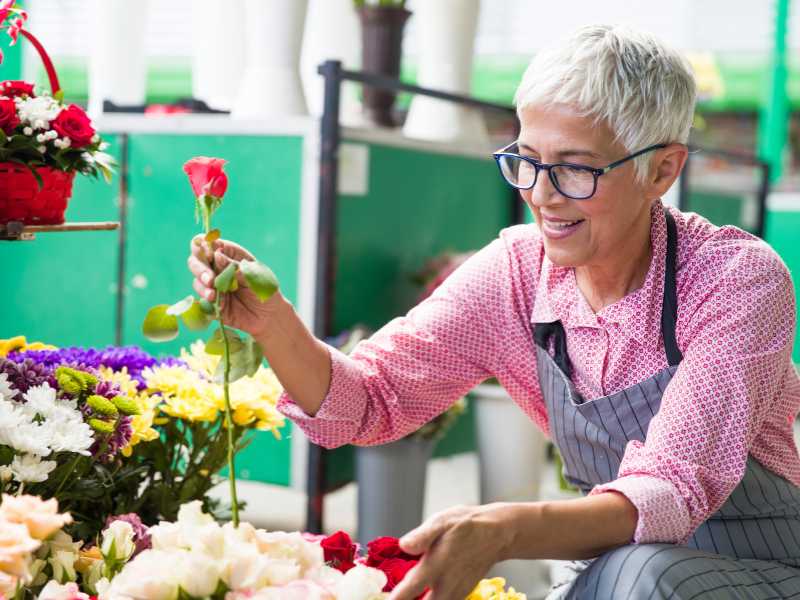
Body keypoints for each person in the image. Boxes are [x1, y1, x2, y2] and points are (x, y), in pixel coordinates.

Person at [188, 24, 800, 600]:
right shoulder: (514, 274)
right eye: (528, 160)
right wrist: (275, 324)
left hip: (767, 566)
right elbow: (371, 401)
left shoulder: (734, 280)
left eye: (576, 169)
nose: (540, 193)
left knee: (639, 573)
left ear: (662, 169)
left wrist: (504, 530)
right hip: (623, 568)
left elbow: (671, 488)